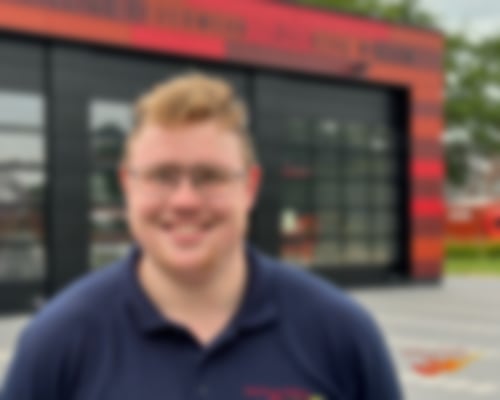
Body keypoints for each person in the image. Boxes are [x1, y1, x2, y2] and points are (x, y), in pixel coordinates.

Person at [1, 73, 402, 400]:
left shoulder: (340, 333)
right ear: (127, 185)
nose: (185, 201)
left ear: (250, 187)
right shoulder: (58, 341)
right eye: (162, 176)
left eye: (209, 176)